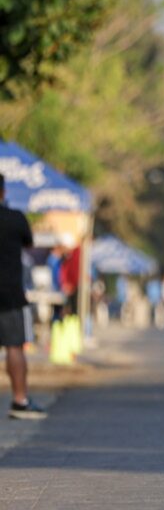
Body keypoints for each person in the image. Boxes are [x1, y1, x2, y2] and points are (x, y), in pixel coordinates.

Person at [0, 174, 47, 420]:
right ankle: (20, 400)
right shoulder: (15, 218)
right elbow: (29, 245)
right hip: (9, 292)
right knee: (14, 347)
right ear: (3, 192)